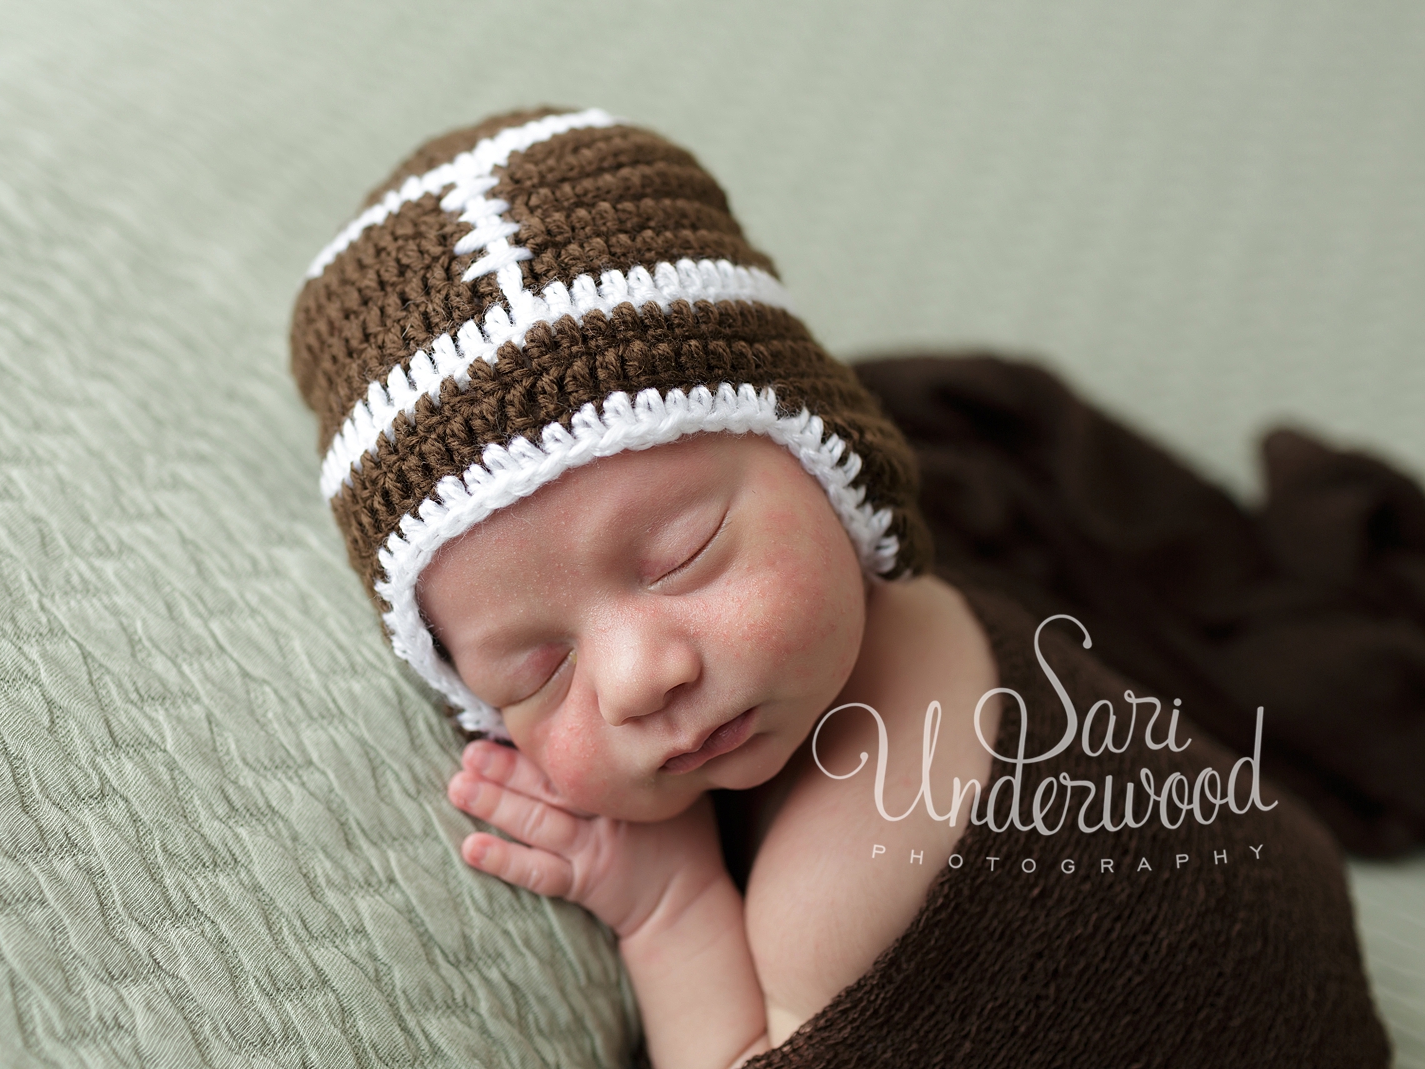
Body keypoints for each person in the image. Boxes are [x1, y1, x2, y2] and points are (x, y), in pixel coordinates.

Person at [289, 108, 1389, 1068]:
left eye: (679, 554)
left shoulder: (849, 869)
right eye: (539, 668)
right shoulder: (870, 624)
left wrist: (666, 903)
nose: (639, 676)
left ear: (825, 462)